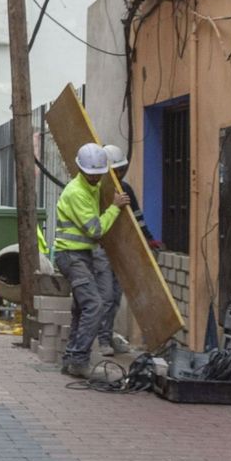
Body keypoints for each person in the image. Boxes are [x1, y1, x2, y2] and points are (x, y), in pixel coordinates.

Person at [52, 142, 131, 378]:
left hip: (80, 255)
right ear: (81, 170)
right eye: (92, 175)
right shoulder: (77, 192)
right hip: (71, 256)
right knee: (94, 306)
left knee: (81, 308)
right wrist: (115, 208)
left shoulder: (91, 184)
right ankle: (78, 360)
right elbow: (95, 231)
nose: (97, 179)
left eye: (99, 174)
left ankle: (71, 358)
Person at [92, 144, 159, 356]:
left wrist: (148, 239)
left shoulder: (126, 190)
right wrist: (114, 205)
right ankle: (102, 339)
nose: (119, 174)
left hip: (121, 251)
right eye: (116, 170)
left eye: (121, 170)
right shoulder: (97, 192)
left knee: (116, 297)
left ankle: (108, 335)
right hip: (102, 248)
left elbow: (136, 217)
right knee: (106, 296)